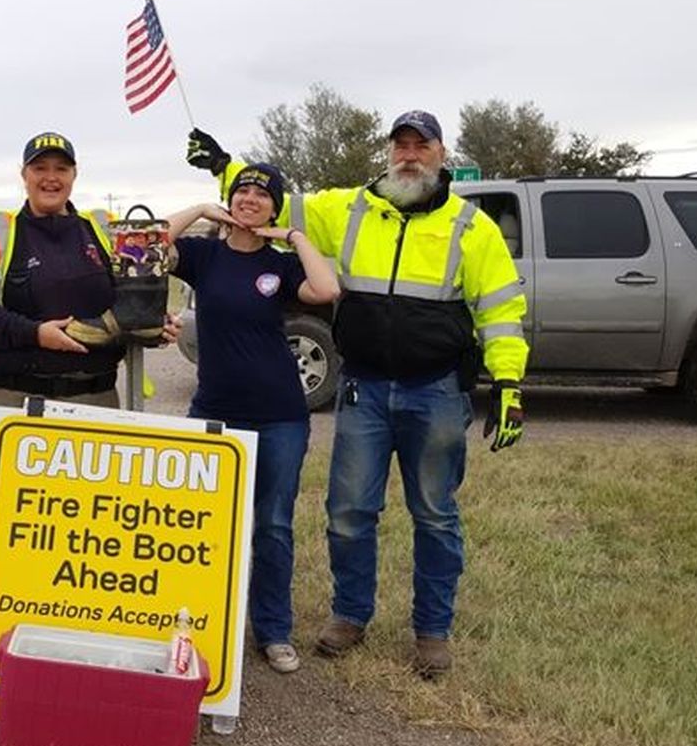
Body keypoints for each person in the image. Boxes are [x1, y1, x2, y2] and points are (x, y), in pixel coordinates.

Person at [186, 110, 528, 679]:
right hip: (363, 389)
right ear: (389, 153)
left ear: (442, 154)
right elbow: (276, 203)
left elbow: (501, 311)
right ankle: (349, 616)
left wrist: (510, 384)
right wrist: (227, 168)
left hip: (436, 392)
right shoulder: (350, 209)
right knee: (348, 513)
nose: (410, 155)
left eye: (422, 146)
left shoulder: (472, 227)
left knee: (436, 516)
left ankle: (432, 632)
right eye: (401, 146)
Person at [163, 163, 340, 673]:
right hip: (214, 412)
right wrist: (199, 210)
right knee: (202, 525)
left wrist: (294, 236)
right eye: (243, 191)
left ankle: (273, 631)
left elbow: (326, 290)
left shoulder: (281, 265)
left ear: (272, 208)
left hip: (279, 416)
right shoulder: (204, 255)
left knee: (273, 526)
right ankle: (200, 622)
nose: (250, 199)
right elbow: (147, 246)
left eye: (263, 195)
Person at [0, 131, 178, 507]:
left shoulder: (103, 231)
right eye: (40, 168)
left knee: (87, 521)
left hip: (94, 403)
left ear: (75, 175)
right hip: (12, 404)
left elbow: (131, 304)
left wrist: (154, 324)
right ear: (23, 174)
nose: (50, 177)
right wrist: (35, 333)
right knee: (0, 518)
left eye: (61, 168)